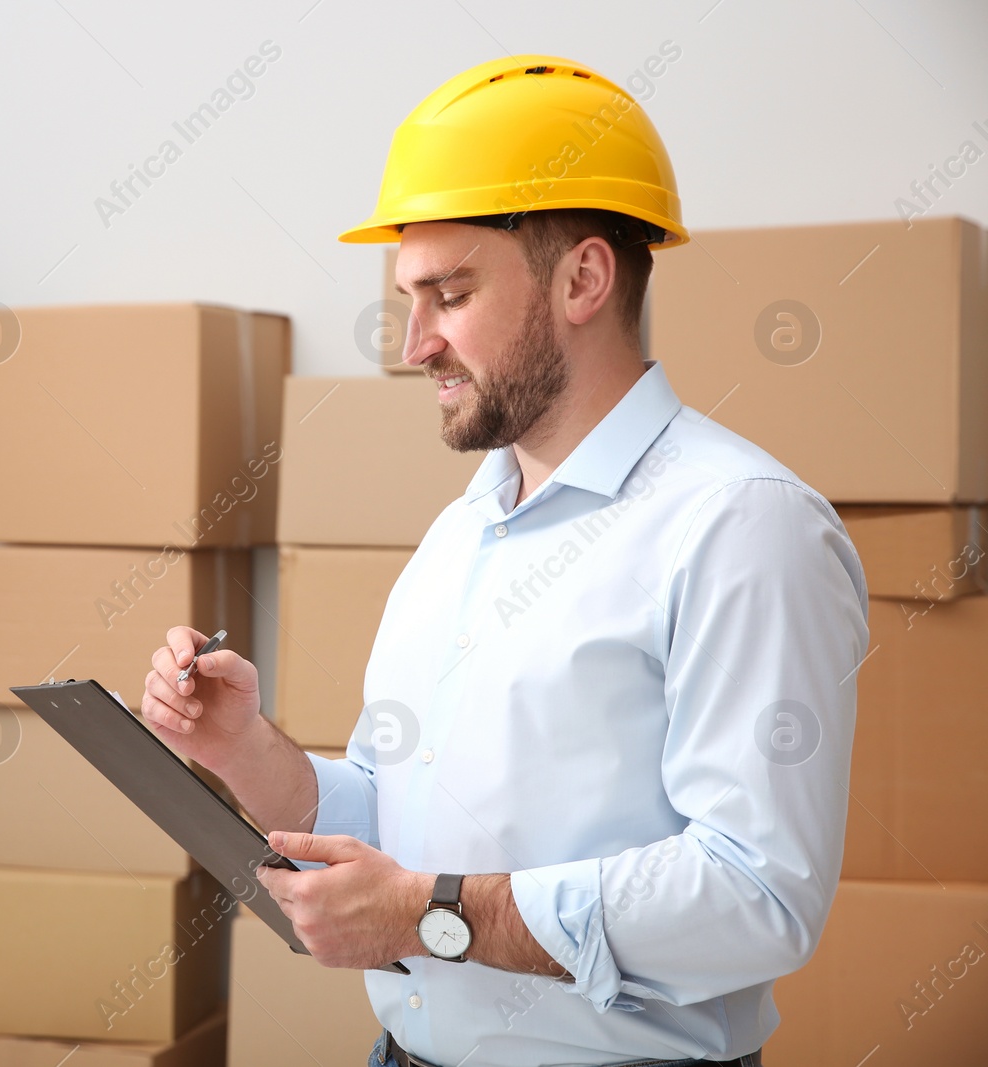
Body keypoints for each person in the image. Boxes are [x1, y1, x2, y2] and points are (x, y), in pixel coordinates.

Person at [141, 54, 867, 1067]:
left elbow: (755, 895)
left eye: (448, 293)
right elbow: (410, 826)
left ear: (582, 277)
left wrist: (430, 917)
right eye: (408, 297)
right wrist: (246, 752)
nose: (412, 344)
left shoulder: (740, 523)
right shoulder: (466, 528)